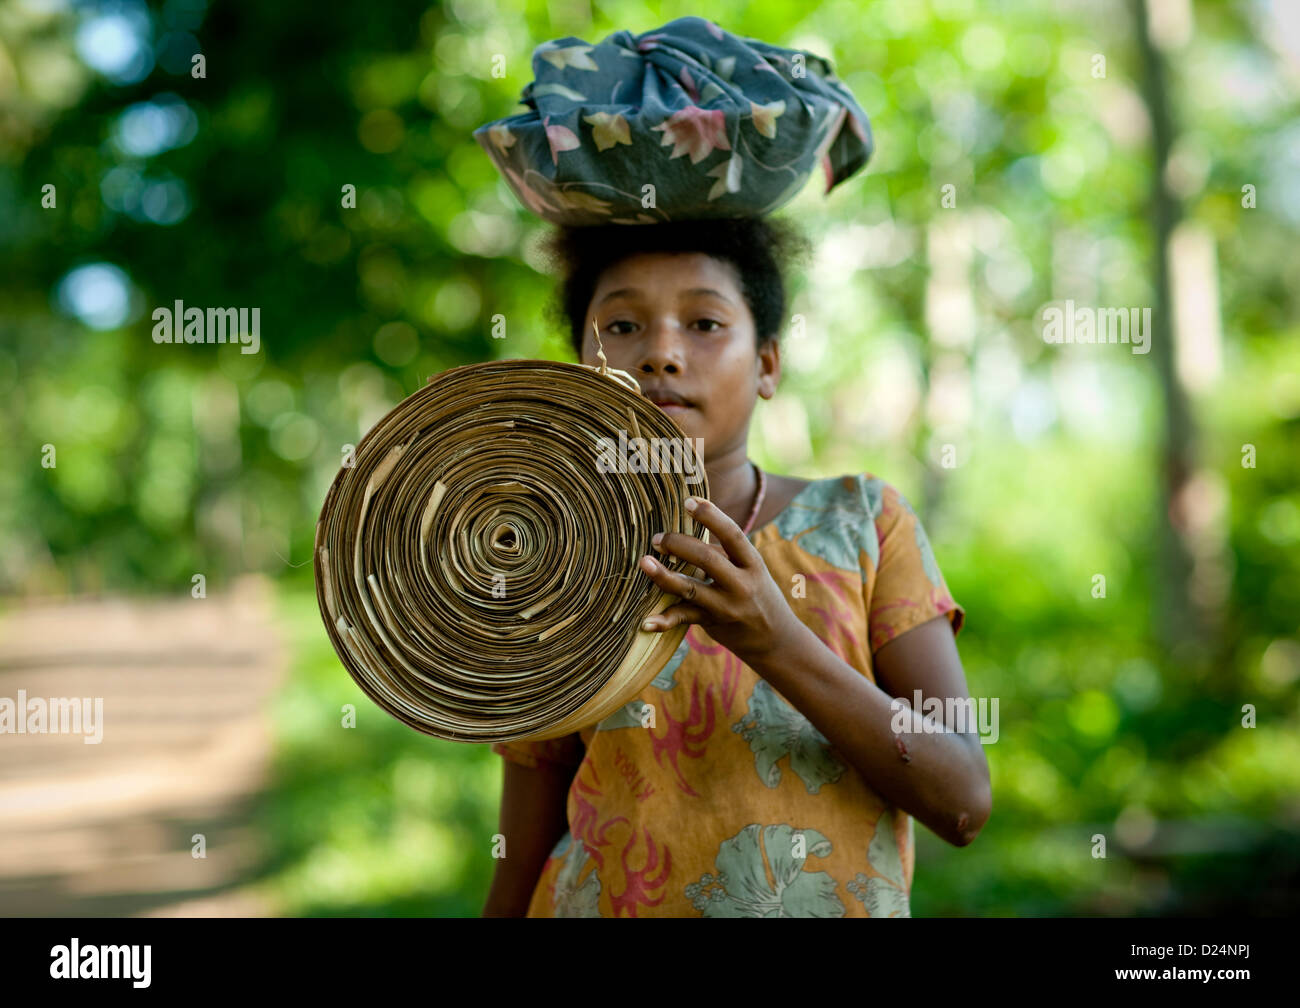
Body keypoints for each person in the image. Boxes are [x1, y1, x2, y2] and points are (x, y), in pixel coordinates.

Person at [476, 17, 990, 917]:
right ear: (582, 366)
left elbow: (961, 797)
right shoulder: (552, 556)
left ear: (767, 365)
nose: (662, 355)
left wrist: (774, 640)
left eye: (706, 324)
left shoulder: (863, 524)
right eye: (623, 325)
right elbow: (523, 848)